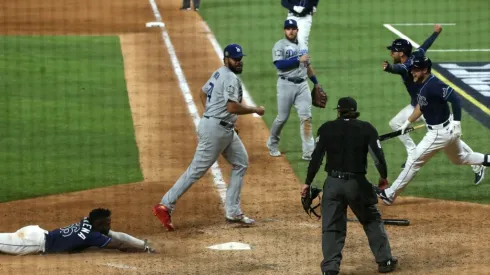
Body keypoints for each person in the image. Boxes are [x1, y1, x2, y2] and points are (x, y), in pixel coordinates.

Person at [153, 44, 265, 231]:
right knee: (196, 170)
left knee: (241, 162)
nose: (239, 62)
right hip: (216, 130)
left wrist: (214, 114)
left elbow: (202, 92)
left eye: (240, 58)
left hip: (223, 128)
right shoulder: (229, 77)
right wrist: (255, 110)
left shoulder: (219, 72)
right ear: (226, 59)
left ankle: (233, 211)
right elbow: (231, 107)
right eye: (235, 59)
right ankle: (165, 205)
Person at [301, 97, 397, 274]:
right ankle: (385, 261)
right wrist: (383, 177)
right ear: (355, 111)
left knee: (331, 226)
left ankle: (330, 268)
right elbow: (378, 158)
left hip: (332, 184)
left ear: (338, 111)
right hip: (357, 184)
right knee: (371, 220)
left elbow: (316, 158)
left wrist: (307, 183)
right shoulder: (366, 128)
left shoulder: (326, 128)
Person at [377, 56, 489, 206]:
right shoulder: (424, 85)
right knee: (459, 158)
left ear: (425, 70)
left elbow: (455, 99)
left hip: (439, 134)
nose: (412, 73)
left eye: (416, 70)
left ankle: (389, 195)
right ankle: (487, 159)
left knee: (413, 162)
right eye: (412, 70)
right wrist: (407, 122)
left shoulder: (434, 85)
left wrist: (457, 122)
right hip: (446, 132)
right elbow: (421, 107)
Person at [267, 19, 322, 160]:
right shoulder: (279, 45)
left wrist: (316, 83)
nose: (290, 31)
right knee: (282, 118)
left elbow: (307, 65)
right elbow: (279, 64)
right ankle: (272, 144)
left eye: (293, 28)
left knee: (306, 118)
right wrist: (298, 59)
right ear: (284, 30)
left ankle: (308, 152)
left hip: (303, 85)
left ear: (297, 30)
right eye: (288, 29)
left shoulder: (303, 44)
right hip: (286, 85)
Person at [0, 208, 156, 255]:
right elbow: (120, 243)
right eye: (107, 222)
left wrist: (144, 244)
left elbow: (114, 234)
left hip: (36, 233)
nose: (110, 225)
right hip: (33, 242)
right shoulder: (93, 236)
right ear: (98, 223)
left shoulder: (86, 221)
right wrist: (143, 250)